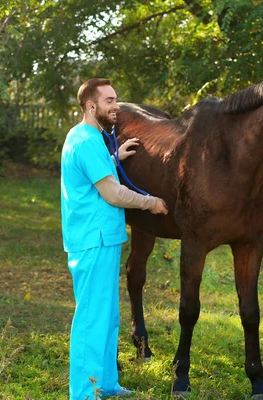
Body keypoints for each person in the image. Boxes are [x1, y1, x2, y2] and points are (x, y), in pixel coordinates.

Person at [61, 78, 168, 399]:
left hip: (103, 238)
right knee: (92, 317)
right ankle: (84, 392)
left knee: (107, 315)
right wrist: (152, 202)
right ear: (90, 107)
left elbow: (92, 172)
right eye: (109, 100)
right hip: (92, 239)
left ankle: (106, 383)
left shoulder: (85, 137)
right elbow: (112, 193)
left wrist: (114, 158)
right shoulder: (87, 141)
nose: (116, 106)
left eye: (116, 99)